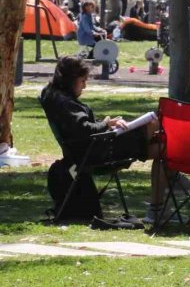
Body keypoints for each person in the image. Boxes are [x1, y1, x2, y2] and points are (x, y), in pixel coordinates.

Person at [39, 57, 168, 223]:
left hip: (92, 149)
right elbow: (85, 130)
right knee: (153, 124)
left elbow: (82, 129)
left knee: (163, 149)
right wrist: (107, 123)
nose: (85, 86)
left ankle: (157, 209)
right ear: (71, 80)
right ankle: (160, 205)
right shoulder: (64, 102)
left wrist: (108, 124)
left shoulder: (55, 95)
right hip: (96, 153)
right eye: (83, 81)